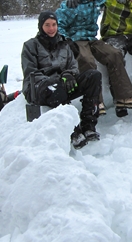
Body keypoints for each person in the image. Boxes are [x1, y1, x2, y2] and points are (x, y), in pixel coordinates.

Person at [55, 0, 132, 117]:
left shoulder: (97, 0)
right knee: (87, 61)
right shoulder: (71, 5)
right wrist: (66, 40)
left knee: (114, 54)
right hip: (77, 40)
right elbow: (58, 24)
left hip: (92, 39)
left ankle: (123, 97)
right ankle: (96, 100)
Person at [21, 11, 102, 149]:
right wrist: (57, 79)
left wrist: (69, 74)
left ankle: (88, 125)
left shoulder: (64, 44)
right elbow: (31, 73)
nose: (51, 29)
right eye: (47, 25)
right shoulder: (31, 46)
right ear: (41, 26)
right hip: (40, 88)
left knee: (94, 76)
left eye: (54, 25)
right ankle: (73, 131)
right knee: (56, 87)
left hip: (63, 83)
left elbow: (73, 65)